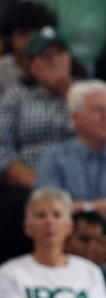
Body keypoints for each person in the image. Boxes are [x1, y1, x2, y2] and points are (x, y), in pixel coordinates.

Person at [35, 79, 106, 260]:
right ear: (75, 117)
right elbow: (49, 213)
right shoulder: (55, 158)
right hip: (72, 254)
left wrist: (82, 206)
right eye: (98, 110)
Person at [0, 25, 77, 264]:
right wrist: (40, 184)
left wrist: (69, 94)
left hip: (79, 180)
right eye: (44, 56)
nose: (52, 61)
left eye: (58, 54)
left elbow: (105, 138)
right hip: (27, 183)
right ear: (31, 64)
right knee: (15, 206)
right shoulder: (17, 96)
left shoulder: (86, 94)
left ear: (69, 59)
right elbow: (2, 146)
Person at [0, 186, 106, 298]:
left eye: (57, 215)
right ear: (27, 227)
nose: (49, 222)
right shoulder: (10, 273)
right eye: (40, 215)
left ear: (69, 226)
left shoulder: (90, 272)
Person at [0, 0, 57, 96]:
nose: (31, 40)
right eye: (24, 34)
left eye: (36, 33)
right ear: (9, 38)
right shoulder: (2, 71)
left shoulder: (56, 66)